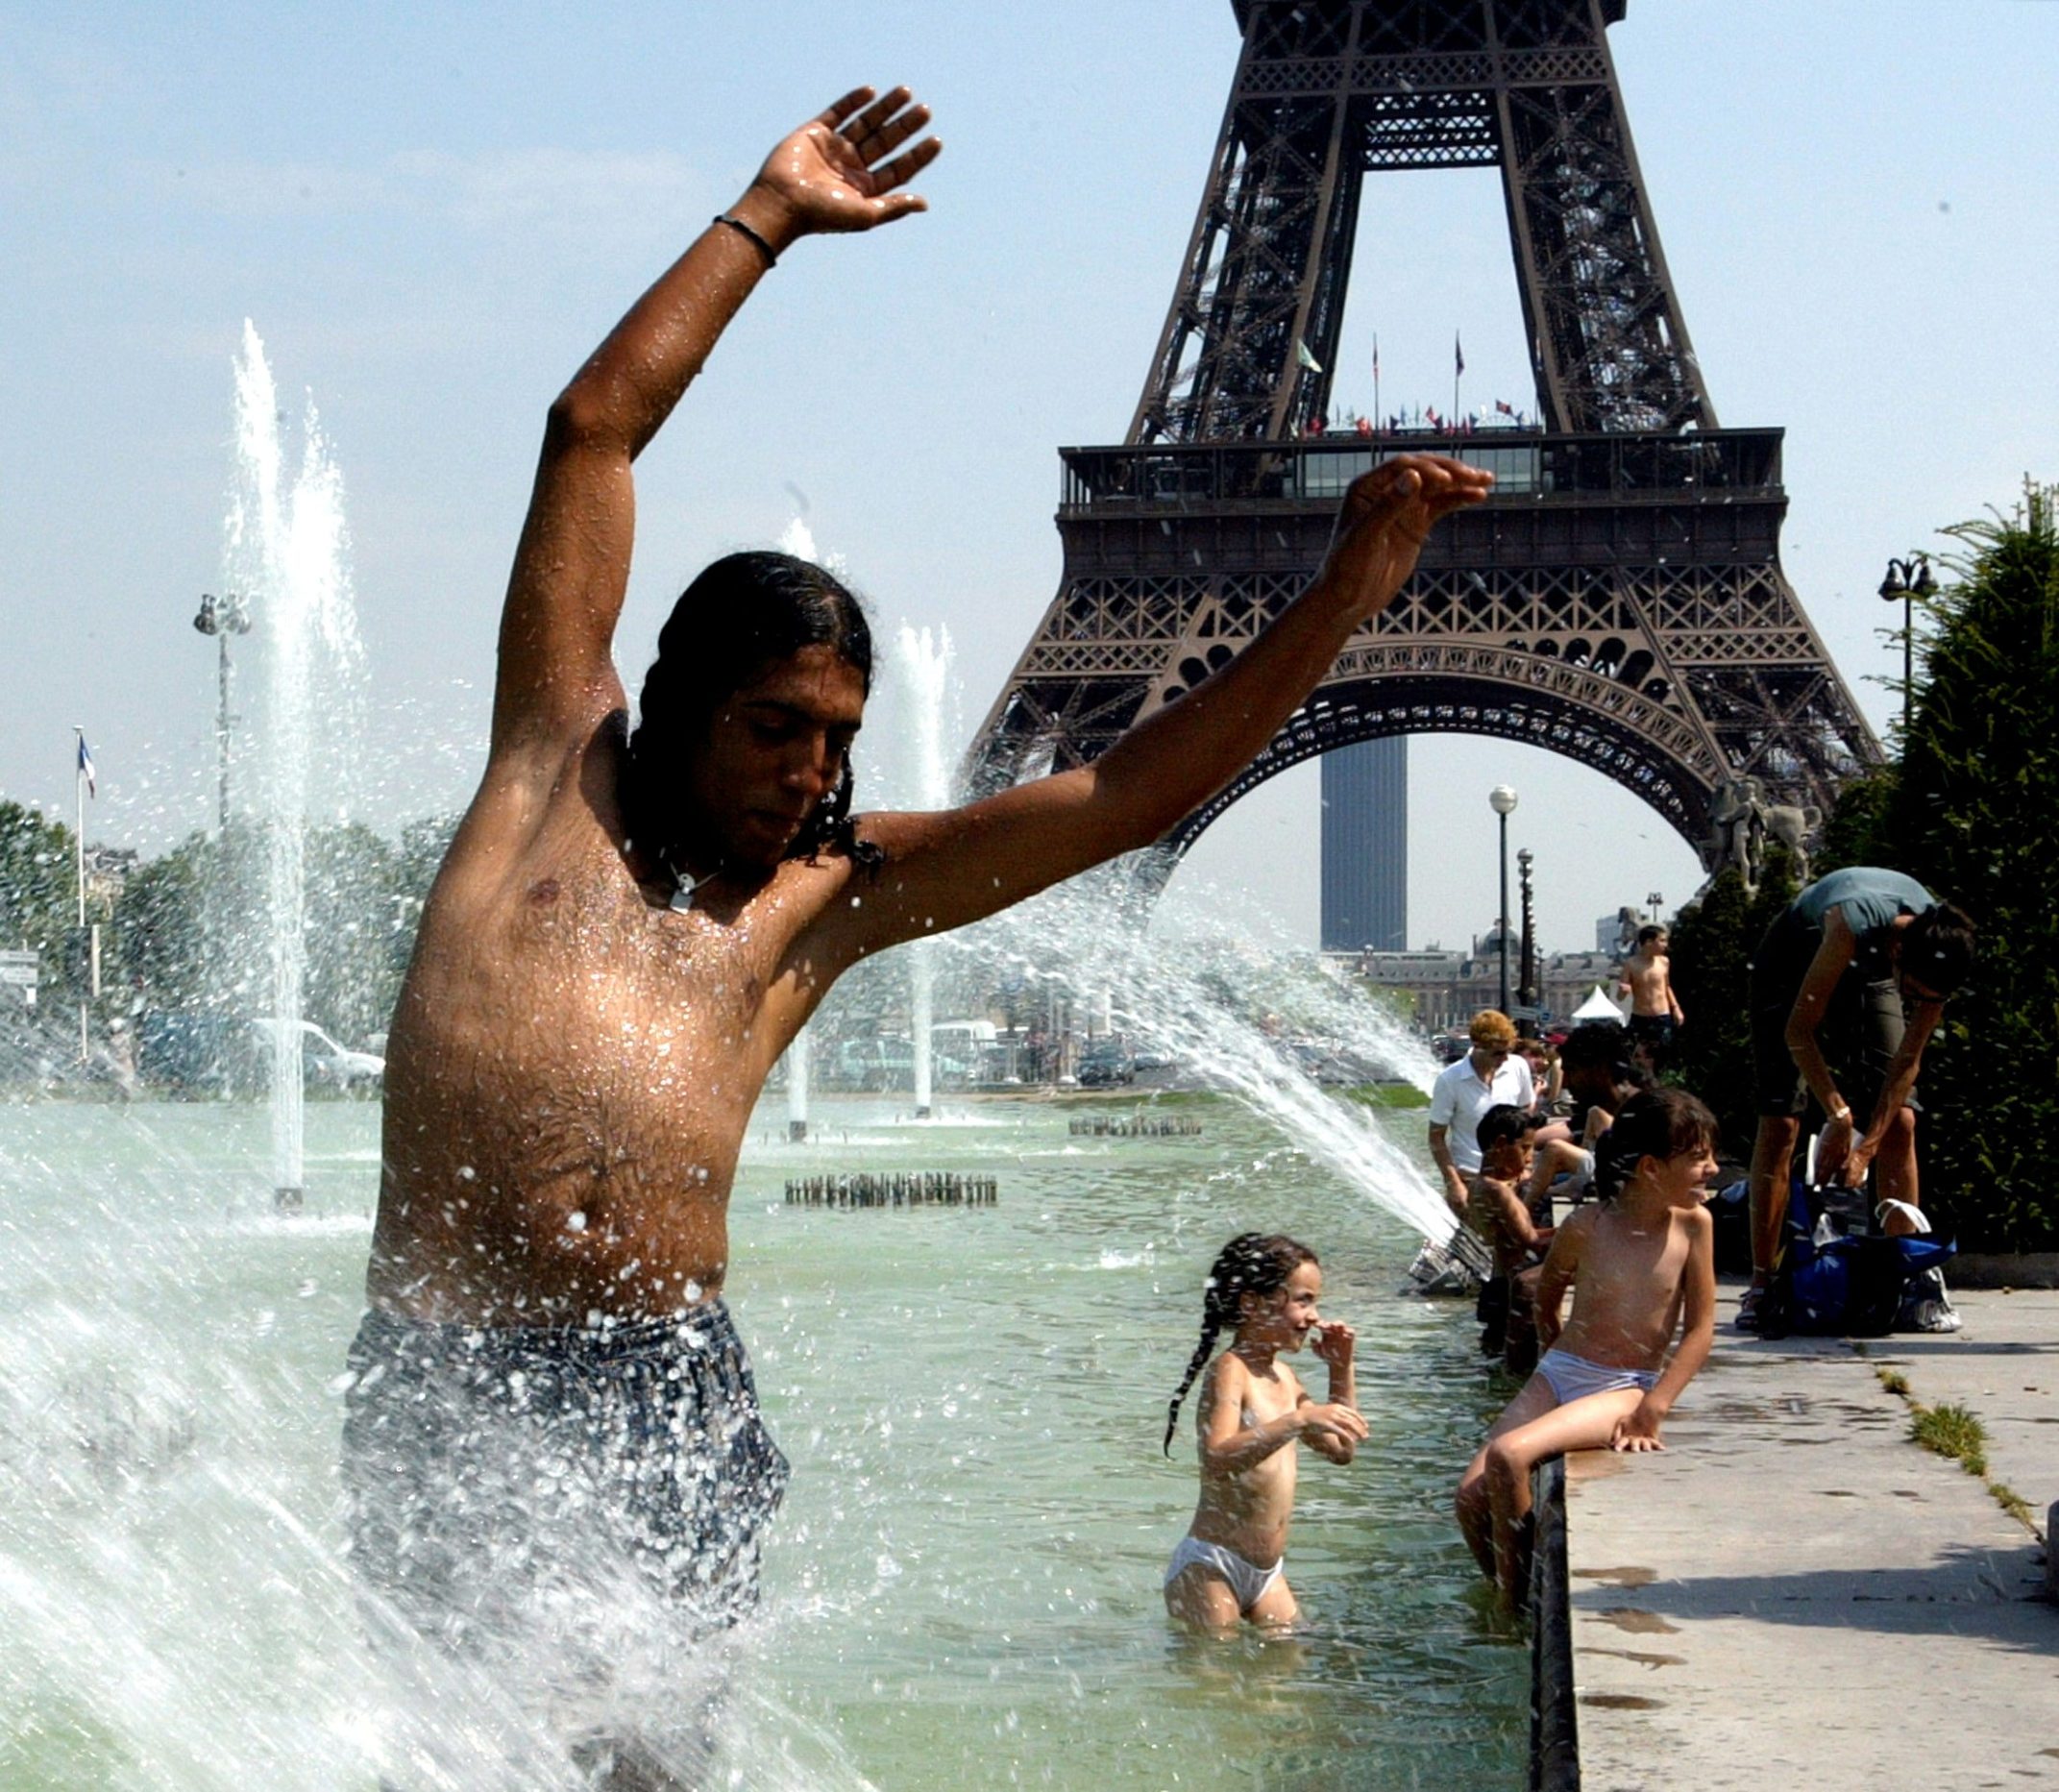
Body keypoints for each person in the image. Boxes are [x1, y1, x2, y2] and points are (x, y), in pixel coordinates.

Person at [341, 81, 1492, 1724]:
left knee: (652, 1754)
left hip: (673, 1383)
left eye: (837, 742)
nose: (808, 774)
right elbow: (589, 431)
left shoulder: (825, 895)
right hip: (452, 1379)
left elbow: (1124, 798)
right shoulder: (546, 766)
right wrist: (766, 220)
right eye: (773, 730)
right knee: (455, 1750)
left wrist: (1336, 606)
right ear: (670, 699)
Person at [1454, 1089, 1719, 1608]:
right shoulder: (1587, 1226)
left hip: (1626, 1386)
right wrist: (1552, 1358)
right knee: (1469, 1498)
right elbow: (1543, 1295)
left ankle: (1514, 1609)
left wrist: (1653, 1408)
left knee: (1510, 1455)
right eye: (1698, 1159)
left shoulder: (1694, 1226)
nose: (1712, 1169)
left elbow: (1700, 1330)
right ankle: (1511, 1583)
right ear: (1649, 1167)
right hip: (1562, 1372)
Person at [1737, 868, 1976, 1332]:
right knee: (1782, 1121)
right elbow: (1798, 1031)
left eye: (1927, 998)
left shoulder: (1940, 949)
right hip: (1790, 964)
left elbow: (1906, 1064)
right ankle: (1763, 1281)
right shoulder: (1853, 923)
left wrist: (1867, 1148)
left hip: (1875, 969)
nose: (1917, 1000)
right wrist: (1840, 1115)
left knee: (1902, 1121)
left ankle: (1907, 1274)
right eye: (1912, 992)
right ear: (1898, 951)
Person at [1162, 1235, 1365, 1631]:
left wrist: (1341, 1369)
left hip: (1267, 1572)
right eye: (1303, 1300)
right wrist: (1298, 1421)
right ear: (1251, 1304)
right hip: (1211, 1566)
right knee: (1214, 1676)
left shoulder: (1285, 1378)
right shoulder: (1230, 1370)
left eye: (1315, 1302)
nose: (1314, 1316)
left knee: (1283, 1674)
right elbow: (1217, 1457)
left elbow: (1342, 1449)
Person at [1462, 1104, 1554, 1369]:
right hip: (1510, 1293)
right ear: (1501, 1144)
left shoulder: (1481, 1185)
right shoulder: (1497, 1192)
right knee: (1517, 1367)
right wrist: (1579, 1229)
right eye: (1524, 1148)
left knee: (1496, 1362)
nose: (1529, 1159)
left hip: (1497, 1285)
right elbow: (1532, 1242)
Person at [1523, 1019, 1647, 1215]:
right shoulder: (1612, 1128)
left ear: (1600, 1069)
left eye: (1571, 1071)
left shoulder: (1651, 1118)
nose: (1565, 1084)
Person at [1427, 1009, 1534, 1217]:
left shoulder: (1518, 1067)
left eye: (1508, 1051)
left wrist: (1527, 1164)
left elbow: (1527, 1122)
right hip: (1469, 1179)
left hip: (1512, 1178)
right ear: (1477, 1045)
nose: (1505, 1059)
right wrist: (1453, 1184)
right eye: (1497, 1053)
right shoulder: (1450, 1080)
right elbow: (1436, 1138)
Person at [1617, 923, 1682, 1069]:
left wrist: (1676, 1008)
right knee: (1629, 1052)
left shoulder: (1664, 962)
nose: (1666, 945)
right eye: (1662, 940)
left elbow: (1666, 987)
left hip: (1662, 1016)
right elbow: (1620, 997)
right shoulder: (1631, 964)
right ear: (1648, 942)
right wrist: (1624, 990)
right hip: (1640, 1017)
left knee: (1665, 1054)